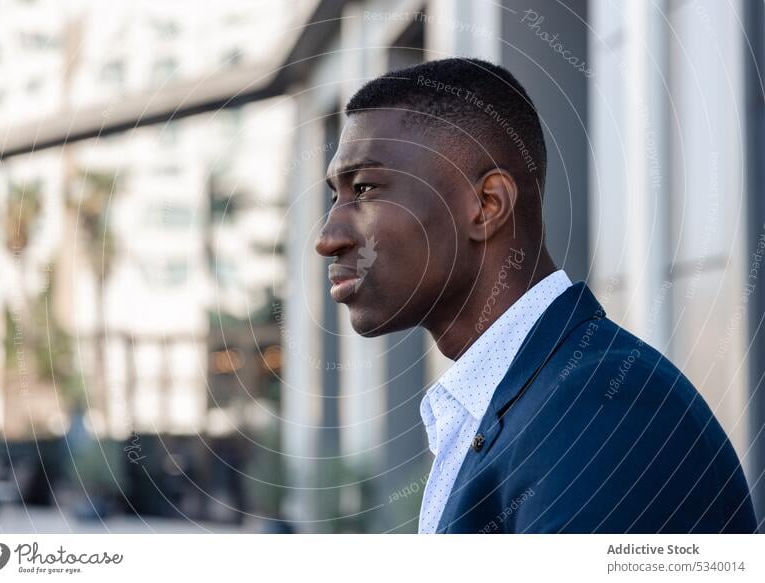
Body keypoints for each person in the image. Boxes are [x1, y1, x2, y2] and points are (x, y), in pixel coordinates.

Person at [315, 57, 757, 533]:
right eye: (334, 196)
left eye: (364, 188)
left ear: (486, 206)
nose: (327, 237)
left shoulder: (602, 406)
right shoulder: (505, 404)